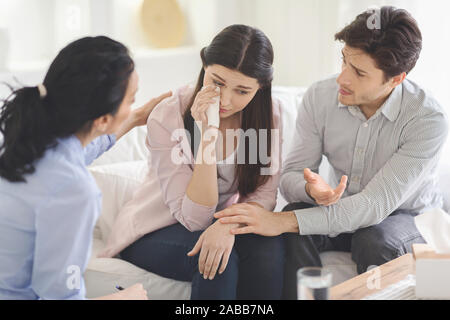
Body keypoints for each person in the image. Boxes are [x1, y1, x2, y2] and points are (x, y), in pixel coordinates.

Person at [213, 6, 449, 299]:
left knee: (374, 238)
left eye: (359, 72)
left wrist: (281, 221)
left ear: (395, 80)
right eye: (344, 61)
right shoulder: (320, 96)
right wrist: (310, 191)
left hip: (403, 216)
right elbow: (290, 177)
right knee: (293, 216)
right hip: (343, 208)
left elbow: (375, 206)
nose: (342, 79)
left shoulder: (427, 119)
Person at [101, 24, 285, 300]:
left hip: (218, 222)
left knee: (269, 249)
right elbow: (194, 219)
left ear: (261, 87)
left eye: (242, 91)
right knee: (217, 261)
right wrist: (207, 134)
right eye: (218, 82)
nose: (226, 99)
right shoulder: (169, 115)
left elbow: (265, 194)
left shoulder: (269, 115)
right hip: (155, 229)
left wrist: (225, 226)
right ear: (204, 66)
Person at [0, 36, 172, 300]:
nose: (132, 108)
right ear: (103, 119)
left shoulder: (25, 140)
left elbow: (79, 151)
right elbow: (61, 296)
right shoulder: (75, 190)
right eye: (131, 101)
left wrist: (136, 118)